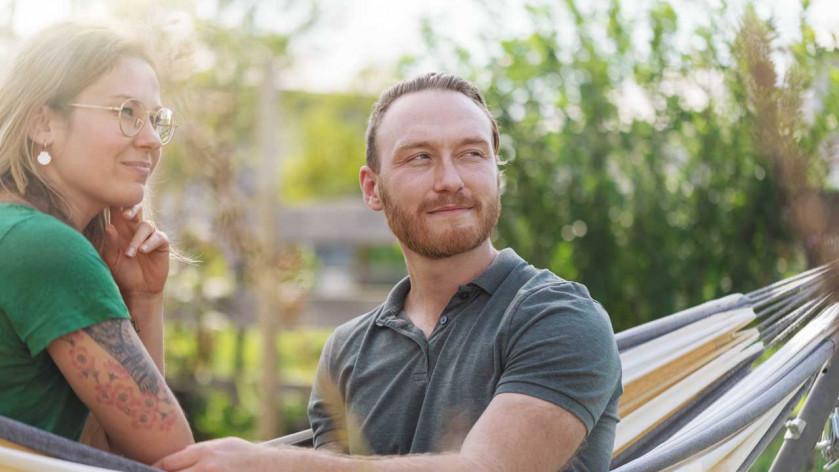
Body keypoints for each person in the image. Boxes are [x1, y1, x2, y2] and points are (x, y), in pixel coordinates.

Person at [156, 73, 622, 471]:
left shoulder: (557, 318)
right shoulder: (348, 352)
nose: (450, 180)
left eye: (472, 154)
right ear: (372, 188)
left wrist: (270, 463)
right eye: (420, 156)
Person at [0, 21, 194, 464]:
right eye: (126, 112)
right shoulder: (43, 247)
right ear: (43, 123)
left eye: (155, 119)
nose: (149, 140)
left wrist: (144, 297)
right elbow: (173, 459)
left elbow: (102, 450)